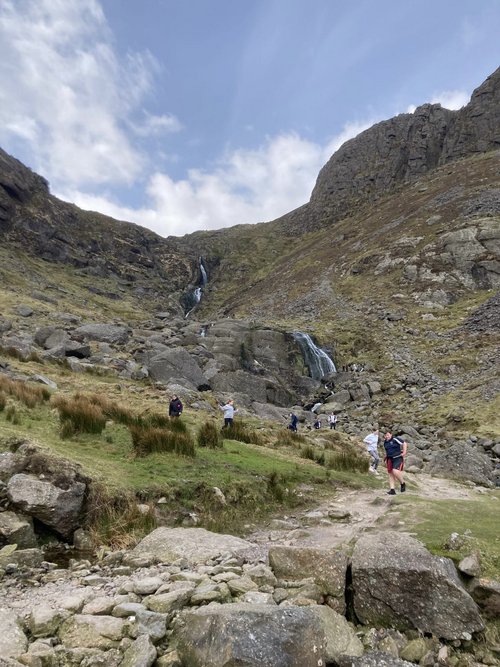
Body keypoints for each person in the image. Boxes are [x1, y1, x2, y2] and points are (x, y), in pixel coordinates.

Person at [383, 430, 407, 494]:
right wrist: (385, 458)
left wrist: (404, 452)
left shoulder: (395, 439)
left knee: (395, 471)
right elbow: (387, 451)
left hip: (398, 458)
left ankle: (402, 483)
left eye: (388, 435)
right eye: (385, 435)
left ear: (391, 434)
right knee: (390, 474)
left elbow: (404, 443)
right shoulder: (385, 442)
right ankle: (392, 490)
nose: (387, 436)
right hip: (389, 459)